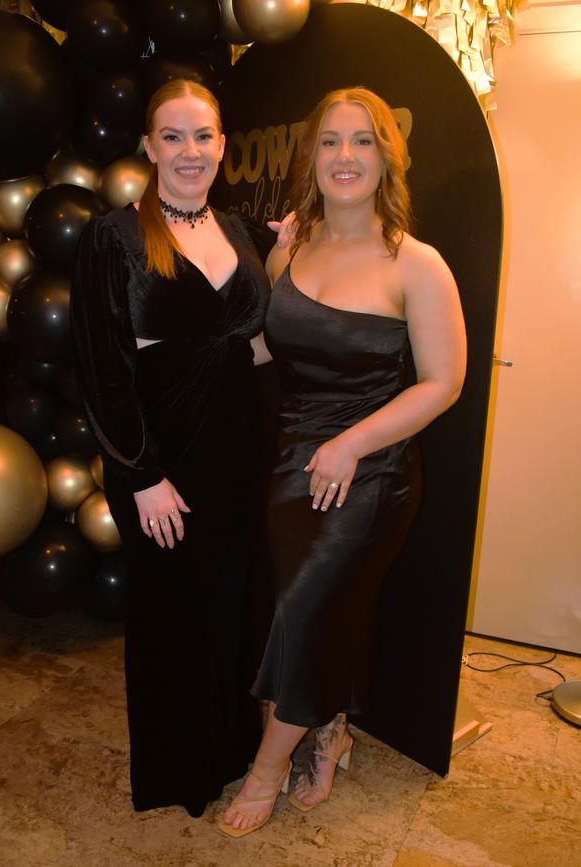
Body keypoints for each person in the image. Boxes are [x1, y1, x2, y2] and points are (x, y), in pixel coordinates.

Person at [219, 86, 467, 837]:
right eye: (330, 141)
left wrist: (352, 442)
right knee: (310, 610)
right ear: (312, 157)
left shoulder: (417, 264)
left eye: (363, 141)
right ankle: (328, 730)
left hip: (371, 471)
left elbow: (444, 382)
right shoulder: (291, 245)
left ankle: (266, 769)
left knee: (304, 610)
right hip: (292, 460)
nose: (345, 156)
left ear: (388, 158)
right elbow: (266, 347)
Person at [70, 79, 274, 818]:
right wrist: (144, 473)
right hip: (156, 458)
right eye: (175, 135)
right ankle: (180, 772)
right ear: (150, 146)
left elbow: (249, 344)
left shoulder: (245, 232)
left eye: (205, 135)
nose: (192, 151)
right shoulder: (112, 237)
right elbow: (102, 367)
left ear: (223, 143)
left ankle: (230, 755)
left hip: (236, 454)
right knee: (170, 616)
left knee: (228, 607)